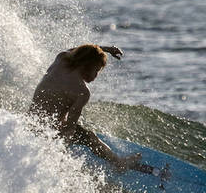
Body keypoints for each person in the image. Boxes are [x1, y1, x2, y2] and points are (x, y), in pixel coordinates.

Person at [30, 43, 149, 171]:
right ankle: (119, 164)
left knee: (63, 120)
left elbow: (78, 52)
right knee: (90, 137)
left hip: (31, 123)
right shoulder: (82, 92)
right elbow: (70, 127)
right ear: (87, 65)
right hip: (48, 132)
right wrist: (60, 157)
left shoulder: (61, 59)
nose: (96, 76)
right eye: (96, 70)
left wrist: (105, 49)